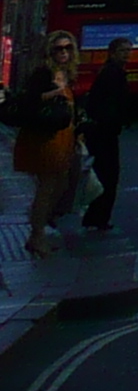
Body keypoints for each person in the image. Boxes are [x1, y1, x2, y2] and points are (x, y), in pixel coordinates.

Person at [8, 30, 83, 256]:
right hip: (43, 138)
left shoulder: (67, 73)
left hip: (63, 137)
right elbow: (27, 101)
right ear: (50, 51)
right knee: (47, 188)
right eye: (58, 49)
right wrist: (52, 94)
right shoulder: (43, 73)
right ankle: (37, 236)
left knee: (60, 185)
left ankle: (39, 229)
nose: (63, 53)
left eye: (68, 48)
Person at [77, 38, 134, 234]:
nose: (127, 54)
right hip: (104, 132)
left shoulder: (112, 71)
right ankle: (98, 218)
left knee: (104, 174)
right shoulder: (112, 73)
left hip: (103, 131)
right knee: (107, 175)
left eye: (129, 50)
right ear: (112, 52)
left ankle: (96, 217)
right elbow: (108, 103)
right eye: (123, 51)